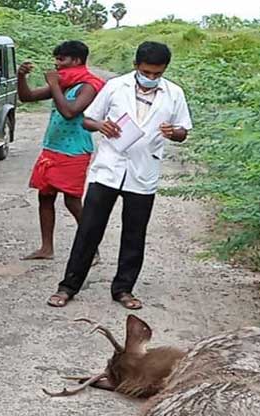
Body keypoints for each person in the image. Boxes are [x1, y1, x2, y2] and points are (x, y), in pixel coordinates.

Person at [47, 42, 192, 310]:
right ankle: (68, 286)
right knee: (89, 230)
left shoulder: (174, 94)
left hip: (143, 171)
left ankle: (123, 289)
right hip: (109, 169)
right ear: (136, 66)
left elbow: (184, 130)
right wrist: (102, 125)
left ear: (164, 70)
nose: (150, 78)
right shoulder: (115, 86)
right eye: (146, 72)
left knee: (134, 234)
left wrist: (175, 133)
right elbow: (88, 119)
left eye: (156, 74)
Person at [17, 40, 104, 261]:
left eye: (61, 59)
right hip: (52, 147)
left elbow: (70, 112)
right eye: (56, 59)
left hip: (75, 150)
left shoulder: (89, 85)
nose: (57, 64)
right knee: (45, 197)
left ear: (76, 60)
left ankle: (91, 249)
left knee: (72, 201)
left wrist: (55, 85)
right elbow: (27, 97)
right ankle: (46, 248)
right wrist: (21, 77)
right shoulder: (65, 82)